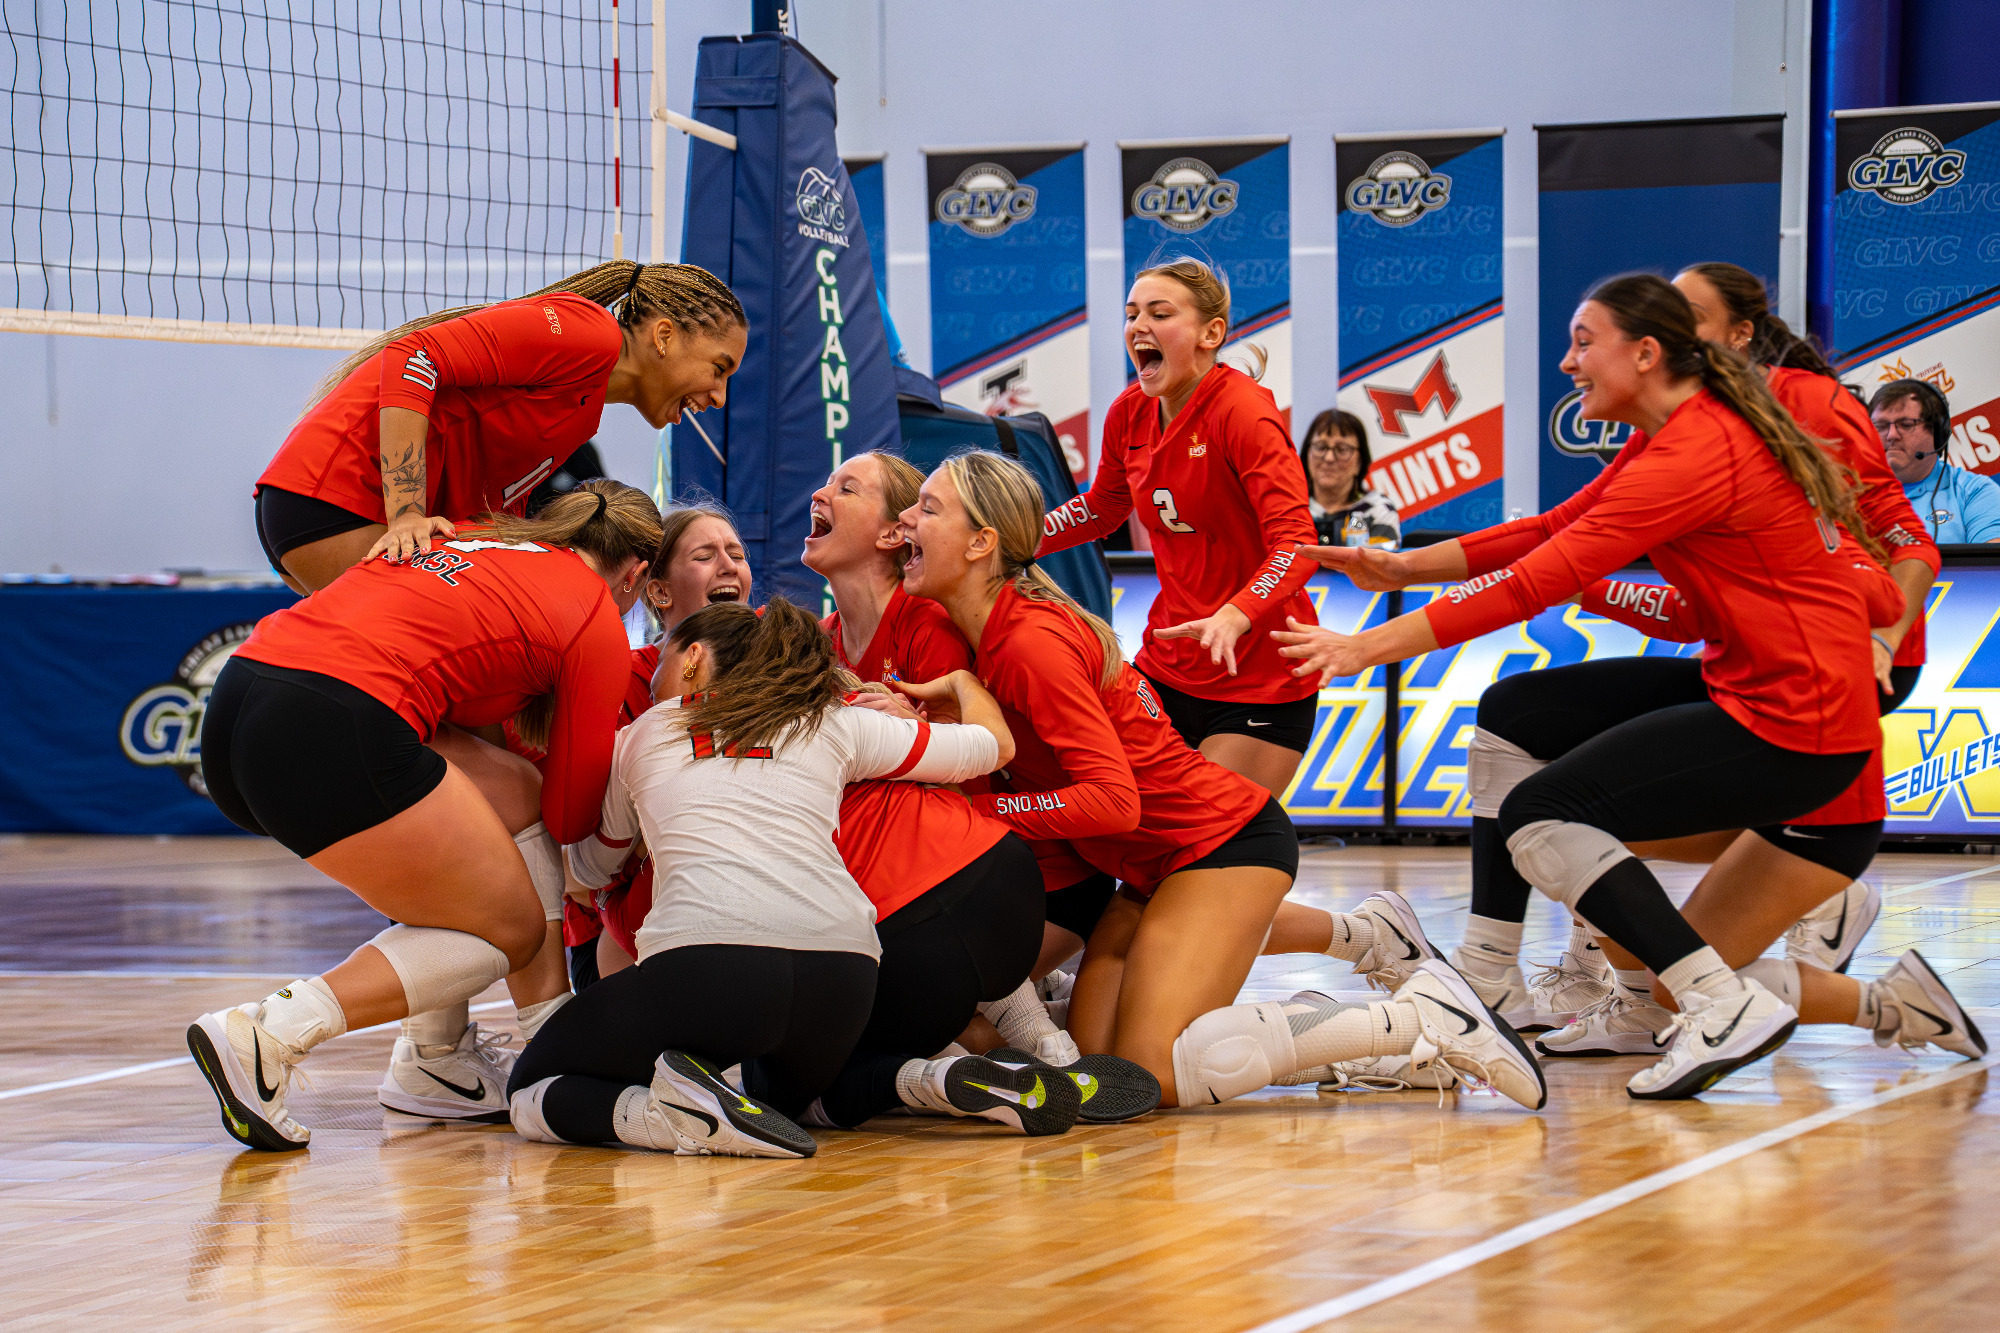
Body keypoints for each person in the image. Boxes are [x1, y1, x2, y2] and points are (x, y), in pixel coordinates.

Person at [1282, 274, 1894, 1101]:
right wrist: (1402, 565)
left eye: (1582, 340)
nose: (1568, 362)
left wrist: (1369, 645)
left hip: (1800, 721)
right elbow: (1547, 530)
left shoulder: (1693, 452)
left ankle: (1716, 1001)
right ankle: (1492, 973)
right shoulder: (1679, 432)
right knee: (1515, 718)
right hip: (1763, 692)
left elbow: (1537, 580)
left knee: (1544, 812)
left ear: (1645, 353)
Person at [899, 449, 1542, 1112]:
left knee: (1160, 1073)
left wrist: (992, 814)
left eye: (928, 507)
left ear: (982, 542)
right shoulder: (990, 634)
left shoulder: (1029, 642)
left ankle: (1422, 1020)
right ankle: (1375, 1047)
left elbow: (1112, 800)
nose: (907, 517)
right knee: (1104, 1065)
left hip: (1223, 844)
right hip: (1154, 867)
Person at [1516, 261, 1946, 1034]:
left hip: (1855, 654)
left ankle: (1808, 871)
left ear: (1739, 335)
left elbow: (1896, 531)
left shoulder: (1803, 401)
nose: (1664, 330)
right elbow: (1643, 579)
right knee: (1569, 838)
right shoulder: (1677, 430)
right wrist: (1574, 580)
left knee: (1563, 819)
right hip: (1756, 660)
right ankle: (1657, 986)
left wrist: (1880, 633)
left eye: (1687, 314)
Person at [187, 482, 662, 1150]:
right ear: (636, 574)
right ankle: (268, 1033)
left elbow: (529, 795)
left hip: (243, 694)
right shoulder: (593, 616)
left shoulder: (473, 534)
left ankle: (458, 1055)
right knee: (510, 929)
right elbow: (569, 813)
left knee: (511, 796)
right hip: (333, 720)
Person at [506, 600, 1023, 1158]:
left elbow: (589, 870)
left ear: (693, 658)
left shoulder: (645, 731)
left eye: (661, 661)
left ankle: (666, 1120)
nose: (650, 678)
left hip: (712, 965)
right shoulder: (829, 720)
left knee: (530, 1091)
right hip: (845, 975)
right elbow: (993, 748)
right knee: (785, 1104)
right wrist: (964, 682)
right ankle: (926, 1081)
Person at [802, 449, 1160, 1125]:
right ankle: (1045, 1016)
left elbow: (969, 793)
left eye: (844, 486)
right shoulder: (824, 642)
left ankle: (1033, 1018)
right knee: (942, 1027)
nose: (820, 493)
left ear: (892, 533)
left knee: (918, 1025)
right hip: (979, 873)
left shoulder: (935, 628)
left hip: (1034, 876)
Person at [1538, 571, 1982, 1064]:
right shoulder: (1789, 544)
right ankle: (1639, 1002)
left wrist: (1554, 578)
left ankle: (1890, 1001)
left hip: (1810, 794)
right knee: (1572, 825)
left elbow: (1686, 612)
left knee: (1671, 974)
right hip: (1769, 768)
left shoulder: (1809, 549)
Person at [256, 260, 745, 593]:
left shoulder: (584, 409)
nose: (720, 397)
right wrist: (407, 513)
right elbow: (414, 355)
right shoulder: (586, 333)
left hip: (324, 513)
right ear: (663, 336)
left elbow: (485, 518)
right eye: (718, 368)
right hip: (335, 500)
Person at [1038, 257, 1319, 800]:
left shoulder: (1241, 412)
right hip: (1166, 665)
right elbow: (1103, 509)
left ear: (1211, 333)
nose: (1138, 326)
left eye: (1159, 313)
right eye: (1131, 314)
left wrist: (1236, 614)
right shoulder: (1129, 412)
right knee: (1133, 836)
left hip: (1258, 679)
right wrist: (1019, 536)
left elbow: (1298, 543)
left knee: (1207, 851)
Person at [563, 503, 754, 982]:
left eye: (736, 552)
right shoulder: (619, 676)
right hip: (624, 917)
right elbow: (589, 846)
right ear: (660, 591)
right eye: (705, 556)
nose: (729, 566)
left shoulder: (773, 665)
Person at [1871, 378, 2000, 544]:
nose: (1891, 435)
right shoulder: (1848, 499)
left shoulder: (1975, 492)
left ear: (1938, 432)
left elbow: (1989, 568)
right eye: (1880, 426)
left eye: (1906, 424)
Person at [1299, 408, 1399, 548]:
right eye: (1321, 447)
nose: (1329, 458)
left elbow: (1383, 567)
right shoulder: (1292, 509)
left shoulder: (1378, 510)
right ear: (1306, 454)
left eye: (1342, 449)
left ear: (1360, 461)